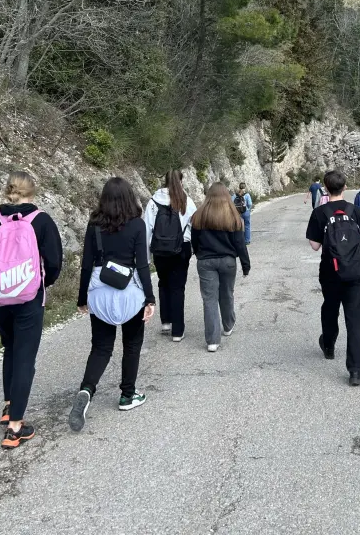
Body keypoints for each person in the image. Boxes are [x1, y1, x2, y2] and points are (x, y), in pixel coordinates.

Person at [0, 171, 63, 449]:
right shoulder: (42, 221)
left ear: (7, 190)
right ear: (33, 191)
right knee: (25, 356)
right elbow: (55, 263)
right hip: (29, 298)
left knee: (10, 348)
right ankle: (14, 428)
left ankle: (9, 405)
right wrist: (38, 284)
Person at [69, 177, 156, 432]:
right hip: (129, 292)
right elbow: (142, 265)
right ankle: (128, 395)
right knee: (132, 345)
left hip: (100, 292)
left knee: (101, 347)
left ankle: (87, 389)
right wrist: (149, 299)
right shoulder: (137, 225)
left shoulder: (94, 225)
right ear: (130, 198)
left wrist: (82, 298)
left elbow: (86, 265)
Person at [306, 170, 360, 386]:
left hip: (330, 271)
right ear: (345, 187)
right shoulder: (355, 211)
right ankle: (355, 370)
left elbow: (315, 246)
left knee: (330, 307)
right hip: (354, 273)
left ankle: (328, 345)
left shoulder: (320, 212)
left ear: (325, 188)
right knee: (354, 319)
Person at [192, 183, 251, 352]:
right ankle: (228, 325)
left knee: (209, 299)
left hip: (206, 262)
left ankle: (212, 341)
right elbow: (240, 244)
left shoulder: (199, 215)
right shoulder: (232, 216)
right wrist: (245, 265)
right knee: (226, 293)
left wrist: (199, 254)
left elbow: (194, 241)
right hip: (227, 261)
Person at [144, 170, 197, 341]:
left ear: (164, 181)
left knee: (163, 283)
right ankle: (177, 332)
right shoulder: (186, 201)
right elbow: (194, 225)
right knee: (178, 287)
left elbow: (147, 229)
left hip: (160, 250)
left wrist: (147, 257)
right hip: (181, 248)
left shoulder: (153, 202)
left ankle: (166, 322)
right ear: (181, 182)